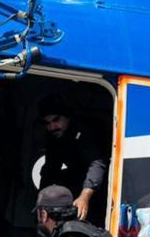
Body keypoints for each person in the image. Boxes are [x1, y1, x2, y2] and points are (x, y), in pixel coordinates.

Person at [37, 93, 107, 221]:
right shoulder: (53, 137)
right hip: (77, 176)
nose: (52, 127)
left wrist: (85, 195)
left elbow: (97, 162)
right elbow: (51, 168)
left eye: (56, 120)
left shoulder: (84, 130)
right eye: (47, 123)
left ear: (68, 117)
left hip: (99, 182)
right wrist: (42, 200)